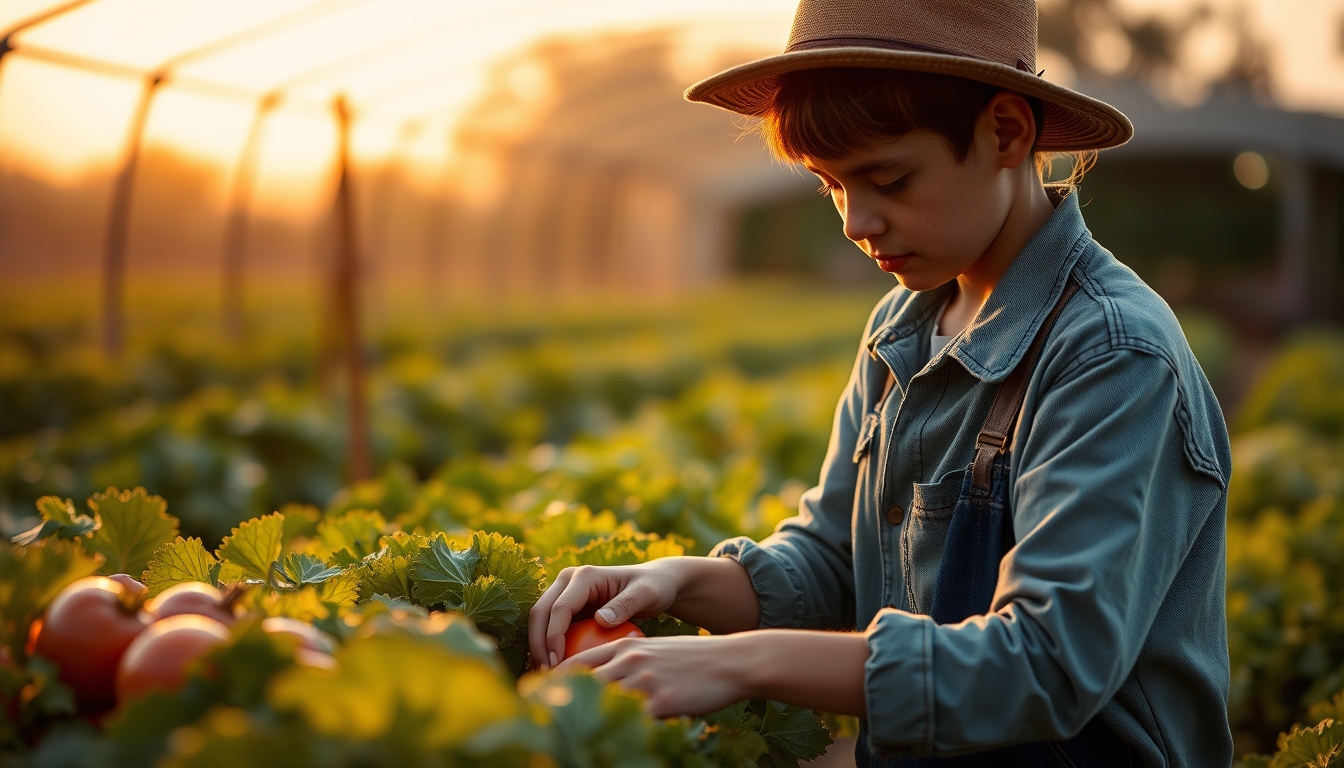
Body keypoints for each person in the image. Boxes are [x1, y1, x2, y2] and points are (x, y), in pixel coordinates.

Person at [527, 0, 1233, 764]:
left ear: (1007, 131)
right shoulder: (902, 326)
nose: (855, 221)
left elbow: (1046, 663)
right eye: (830, 185)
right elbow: (831, 562)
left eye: (889, 179)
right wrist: (669, 582)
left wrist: (732, 662)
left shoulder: (1110, 354)